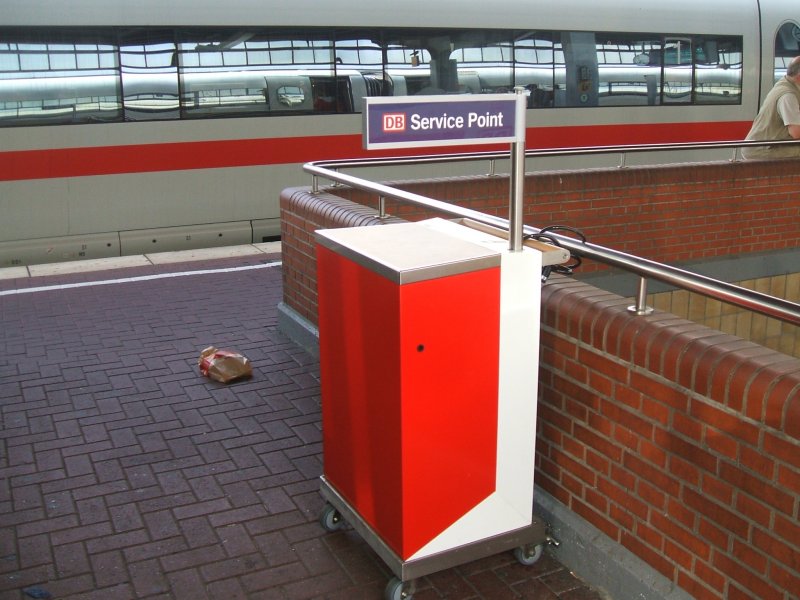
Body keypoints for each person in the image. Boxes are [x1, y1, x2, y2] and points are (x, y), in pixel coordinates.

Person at [743, 56, 800, 159]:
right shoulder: (788, 96)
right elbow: (796, 132)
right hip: (764, 150)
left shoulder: (785, 82)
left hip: (766, 146)